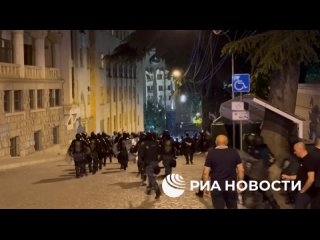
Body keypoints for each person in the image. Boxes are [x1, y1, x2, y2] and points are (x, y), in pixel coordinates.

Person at [202, 134, 244, 209]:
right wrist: (240, 183)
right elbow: (241, 170)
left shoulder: (211, 153)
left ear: (216, 142)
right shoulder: (234, 152)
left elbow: (205, 172)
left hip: (216, 186)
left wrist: (206, 187)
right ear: (227, 142)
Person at [282, 142, 315, 209]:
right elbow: (302, 176)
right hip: (302, 192)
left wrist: (302, 191)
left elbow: (311, 179)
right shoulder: (303, 160)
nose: (294, 152)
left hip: (305, 193)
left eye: (295, 150)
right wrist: (288, 177)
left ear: (300, 149)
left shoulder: (308, 160)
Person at [138, 132, 161, 199]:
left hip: (148, 163)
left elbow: (141, 154)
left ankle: (157, 191)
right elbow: (159, 152)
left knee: (151, 178)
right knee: (151, 176)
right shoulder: (156, 143)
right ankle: (149, 190)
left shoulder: (143, 143)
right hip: (155, 162)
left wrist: (141, 162)